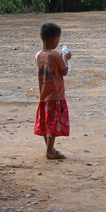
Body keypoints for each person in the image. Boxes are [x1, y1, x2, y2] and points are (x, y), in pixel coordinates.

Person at [35, 22, 72, 160]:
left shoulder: (38, 55)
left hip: (43, 95)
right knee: (53, 123)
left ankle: (50, 148)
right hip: (55, 95)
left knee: (46, 123)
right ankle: (50, 150)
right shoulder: (55, 55)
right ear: (54, 40)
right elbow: (64, 71)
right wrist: (66, 58)